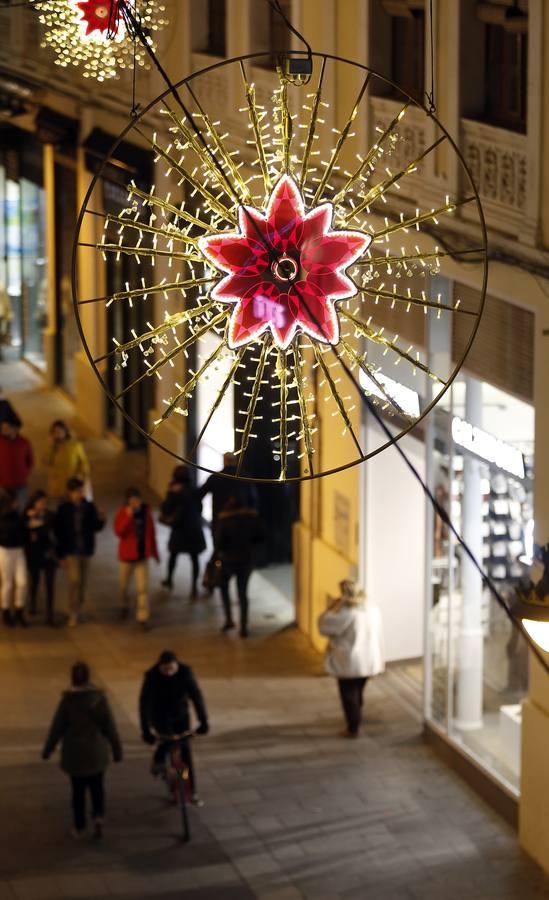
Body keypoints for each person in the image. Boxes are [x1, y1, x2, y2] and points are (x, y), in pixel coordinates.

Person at [41, 661, 122, 840]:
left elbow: (57, 728)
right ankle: (98, 817)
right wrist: (117, 749)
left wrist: (48, 749)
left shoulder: (67, 701)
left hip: (75, 754)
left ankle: (80, 825)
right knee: (97, 787)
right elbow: (110, 726)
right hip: (96, 751)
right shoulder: (99, 699)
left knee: (77, 792)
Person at [318, 580, 385, 738]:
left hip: (350, 660)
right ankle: (356, 717)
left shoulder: (347, 613)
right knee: (358, 690)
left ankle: (353, 727)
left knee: (348, 694)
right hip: (368, 659)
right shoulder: (372, 609)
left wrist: (332, 608)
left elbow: (324, 625)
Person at [139, 650, 208, 803]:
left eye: (171, 669)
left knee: (185, 752)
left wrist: (203, 721)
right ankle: (160, 763)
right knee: (167, 741)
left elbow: (196, 696)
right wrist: (145, 730)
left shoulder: (185, 672)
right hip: (161, 717)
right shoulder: (151, 676)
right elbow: (144, 703)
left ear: (176, 665)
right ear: (160, 667)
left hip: (181, 716)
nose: (169, 673)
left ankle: (191, 789)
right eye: (165, 670)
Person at [55, 478, 105, 627]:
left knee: (82, 582)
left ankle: (79, 608)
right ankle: (73, 612)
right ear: (70, 492)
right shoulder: (64, 509)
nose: (80, 494)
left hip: (85, 550)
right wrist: (60, 554)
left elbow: (95, 527)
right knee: (74, 580)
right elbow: (59, 532)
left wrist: (102, 520)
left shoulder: (89, 506)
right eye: (77, 491)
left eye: (81, 491)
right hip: (71, 550)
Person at [215, 495, 264, 637]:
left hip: (228, 560)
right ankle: (243, 626)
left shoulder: (224, 521)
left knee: (224, 588)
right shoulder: (252, 519)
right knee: (242, 593)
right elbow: (261, 537)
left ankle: (229, 619)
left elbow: (219, 543)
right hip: (246, 560)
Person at [114, 487, 159, 628]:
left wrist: (155, 553)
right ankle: (124, 605)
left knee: (142, 588)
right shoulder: (123, 512)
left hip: (142, 556)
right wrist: (129, 517)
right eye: (132, 500)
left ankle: (142, 617)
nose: (134, 503)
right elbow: (119, 532)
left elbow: (151, 533)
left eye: (136, 500)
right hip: (126, 556)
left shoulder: (146, 512)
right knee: (123, 586)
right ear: (127, 501)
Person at [160, 466, 206, 599]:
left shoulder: (174, 489)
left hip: (179, 528)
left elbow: (166, 509)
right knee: (194, 558)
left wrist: (171, 493)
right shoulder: (194, 489)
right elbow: (200, 507)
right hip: (194, 528)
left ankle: (169, 580)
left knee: (173, 555)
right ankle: (194, 588)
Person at [198, 452, 257, 539]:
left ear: (224, 461)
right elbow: (253, 499)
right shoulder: (245, 477)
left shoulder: (215, 477)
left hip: (220, 522)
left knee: (220, 545)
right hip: (242, 522)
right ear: (235, 461)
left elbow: (199, 495)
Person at [24, 490, 57, 626]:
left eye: (44, 502)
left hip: (49, 554)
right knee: (34, 581)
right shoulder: (27, 515)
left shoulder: (51, 515)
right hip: (34, 555)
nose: (42, 504)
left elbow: (52, 532)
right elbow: (24, 533)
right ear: (34, 503)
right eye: (39, 502)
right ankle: (33, 604)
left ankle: (50, 615)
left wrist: (37, 529)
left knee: (50, 584)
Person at [43, 420, 90, 503]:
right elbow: (45, 462)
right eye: (54, 432)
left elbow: (84, 464)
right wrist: (51, 447)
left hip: (73, 486)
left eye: (59, 431)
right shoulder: (51, 447)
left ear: (65, 431)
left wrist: (79, 477)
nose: (57, 434)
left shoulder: (75, 445)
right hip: (57, 488)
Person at [0, 490, 28, 627]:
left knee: (22, 582)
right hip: (6, 551)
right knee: (8, 583)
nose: (17, 504)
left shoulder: (19, 516)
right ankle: (5, 612)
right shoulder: (3, 517)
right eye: (15, 501)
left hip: (19, 551)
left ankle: (19, 610)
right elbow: (6, 533)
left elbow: (24, 532)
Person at [0, 412, 34, 509]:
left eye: (6, 427)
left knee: (22, 509)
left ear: (14, 428)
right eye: (2, 427)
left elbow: (30, 461)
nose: (3, 430)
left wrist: (24, 474)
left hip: (20, 485)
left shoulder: (24, 442)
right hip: (3, 485)